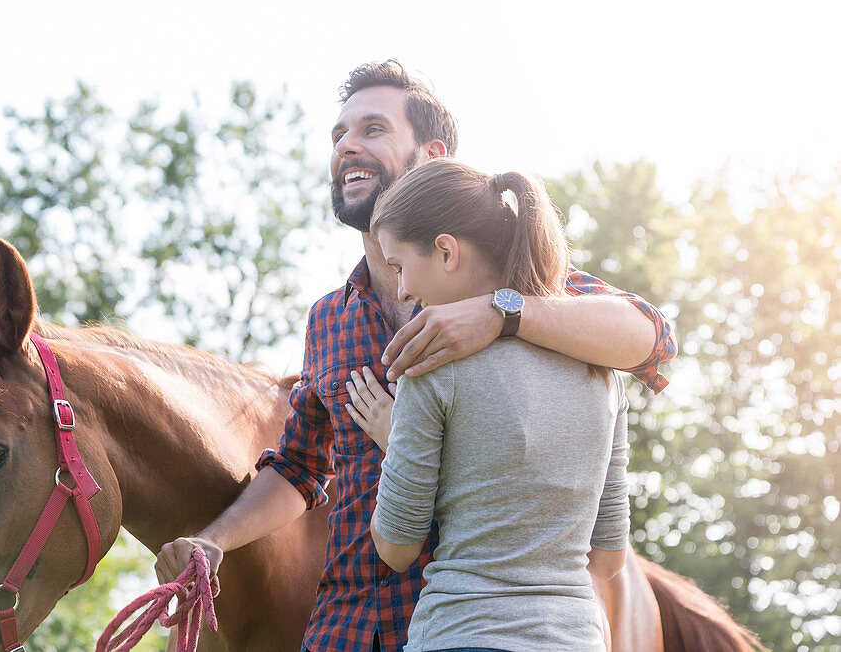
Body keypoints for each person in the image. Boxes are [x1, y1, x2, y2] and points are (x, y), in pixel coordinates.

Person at [155, 60, 676, 651]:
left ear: (433, 156)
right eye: (338, 135)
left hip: (475, 624)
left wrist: (502, 313)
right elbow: (301, 470)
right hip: (347, 624)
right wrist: (213, 540)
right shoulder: (330, 318)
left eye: (372, 130)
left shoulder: (529, 285)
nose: (346, 146)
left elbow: (654, 340)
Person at [368, 159, 628, 652]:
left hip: (462, 634)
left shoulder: (432, 369)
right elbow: (610, 556)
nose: (402, 289)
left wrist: (396, 444)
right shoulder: (604, 372)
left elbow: (396, 549)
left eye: (401, 265)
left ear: (446, 251)